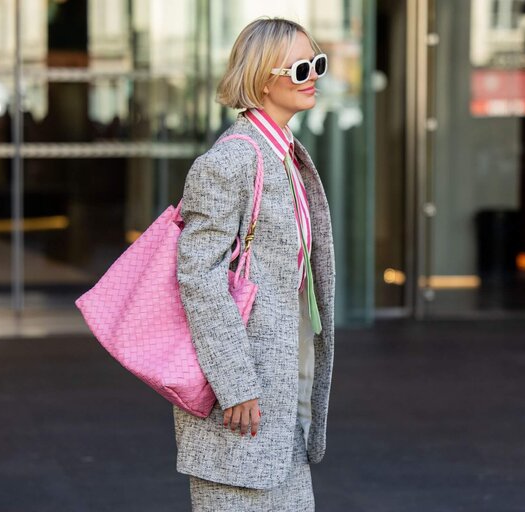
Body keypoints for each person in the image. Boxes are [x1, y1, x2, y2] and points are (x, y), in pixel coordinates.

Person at [174, 16, 336, 511]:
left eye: (318, 63)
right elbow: (198, 278)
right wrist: (236, 385)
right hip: (242, 405)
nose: (313, 76)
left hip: (282, 394)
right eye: (301, 67)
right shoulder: (229, 163)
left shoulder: (285, 155)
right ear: (265, 77)